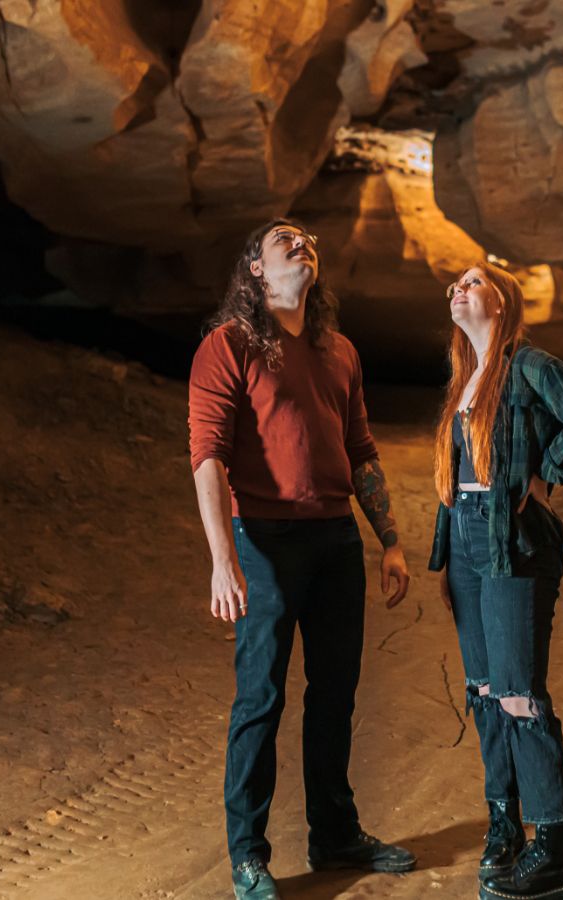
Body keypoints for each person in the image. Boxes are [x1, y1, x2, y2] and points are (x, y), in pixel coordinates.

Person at [189, 219, 417, 900]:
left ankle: (334, 834)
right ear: (254, 268)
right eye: (284, 239)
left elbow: (362, 449)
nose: (302, 243)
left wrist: (391, 539)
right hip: (264, 540)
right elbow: (208, 456)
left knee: (335, 694)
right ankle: (248, 856)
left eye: (308, 238)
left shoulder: (339, 351)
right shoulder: (227, 346)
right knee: (260, 699)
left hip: (335, 541)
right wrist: (221, 559)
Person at [428, 262, 563, 900]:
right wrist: (445, 556)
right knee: (484, 691)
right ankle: (504, 823)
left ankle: (552, 851)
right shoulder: (465, 377)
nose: (460, 288)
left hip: (512, 541)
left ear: (504, 301)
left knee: (518, 695)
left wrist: (546, 475)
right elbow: (457, 470)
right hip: (464, 536)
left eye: (475, 281)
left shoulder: (527, 363)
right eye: (455, 283)